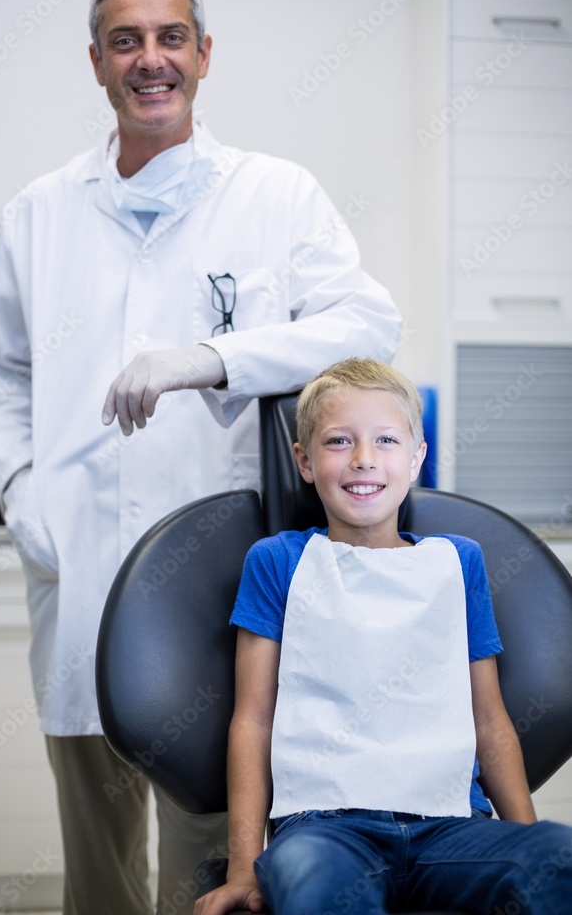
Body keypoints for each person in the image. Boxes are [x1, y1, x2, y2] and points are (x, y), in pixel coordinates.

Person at [0, 0, 402, 915]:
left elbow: (369, 325)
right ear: (96, 63)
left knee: (211, 858)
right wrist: (25, 500)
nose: (148, 59)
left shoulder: (275, 195)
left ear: (204, 55)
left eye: (170, 39)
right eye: (126, 41)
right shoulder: (38, 213)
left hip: (214, 578)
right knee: (99, 862)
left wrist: (210, 356)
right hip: (76, 566)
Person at [196, 357, 572, 915]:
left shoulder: (457, 563)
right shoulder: (279, 562)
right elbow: (253, 720)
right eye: (339, 441)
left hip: (451, 830)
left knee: (557, 856)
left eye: (387, 440)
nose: (364, 459)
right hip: (326, 830)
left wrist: (523, 847)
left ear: (417, 458)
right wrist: (245, 867)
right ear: (304, 460)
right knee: (306, 879)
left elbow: (489, 719)